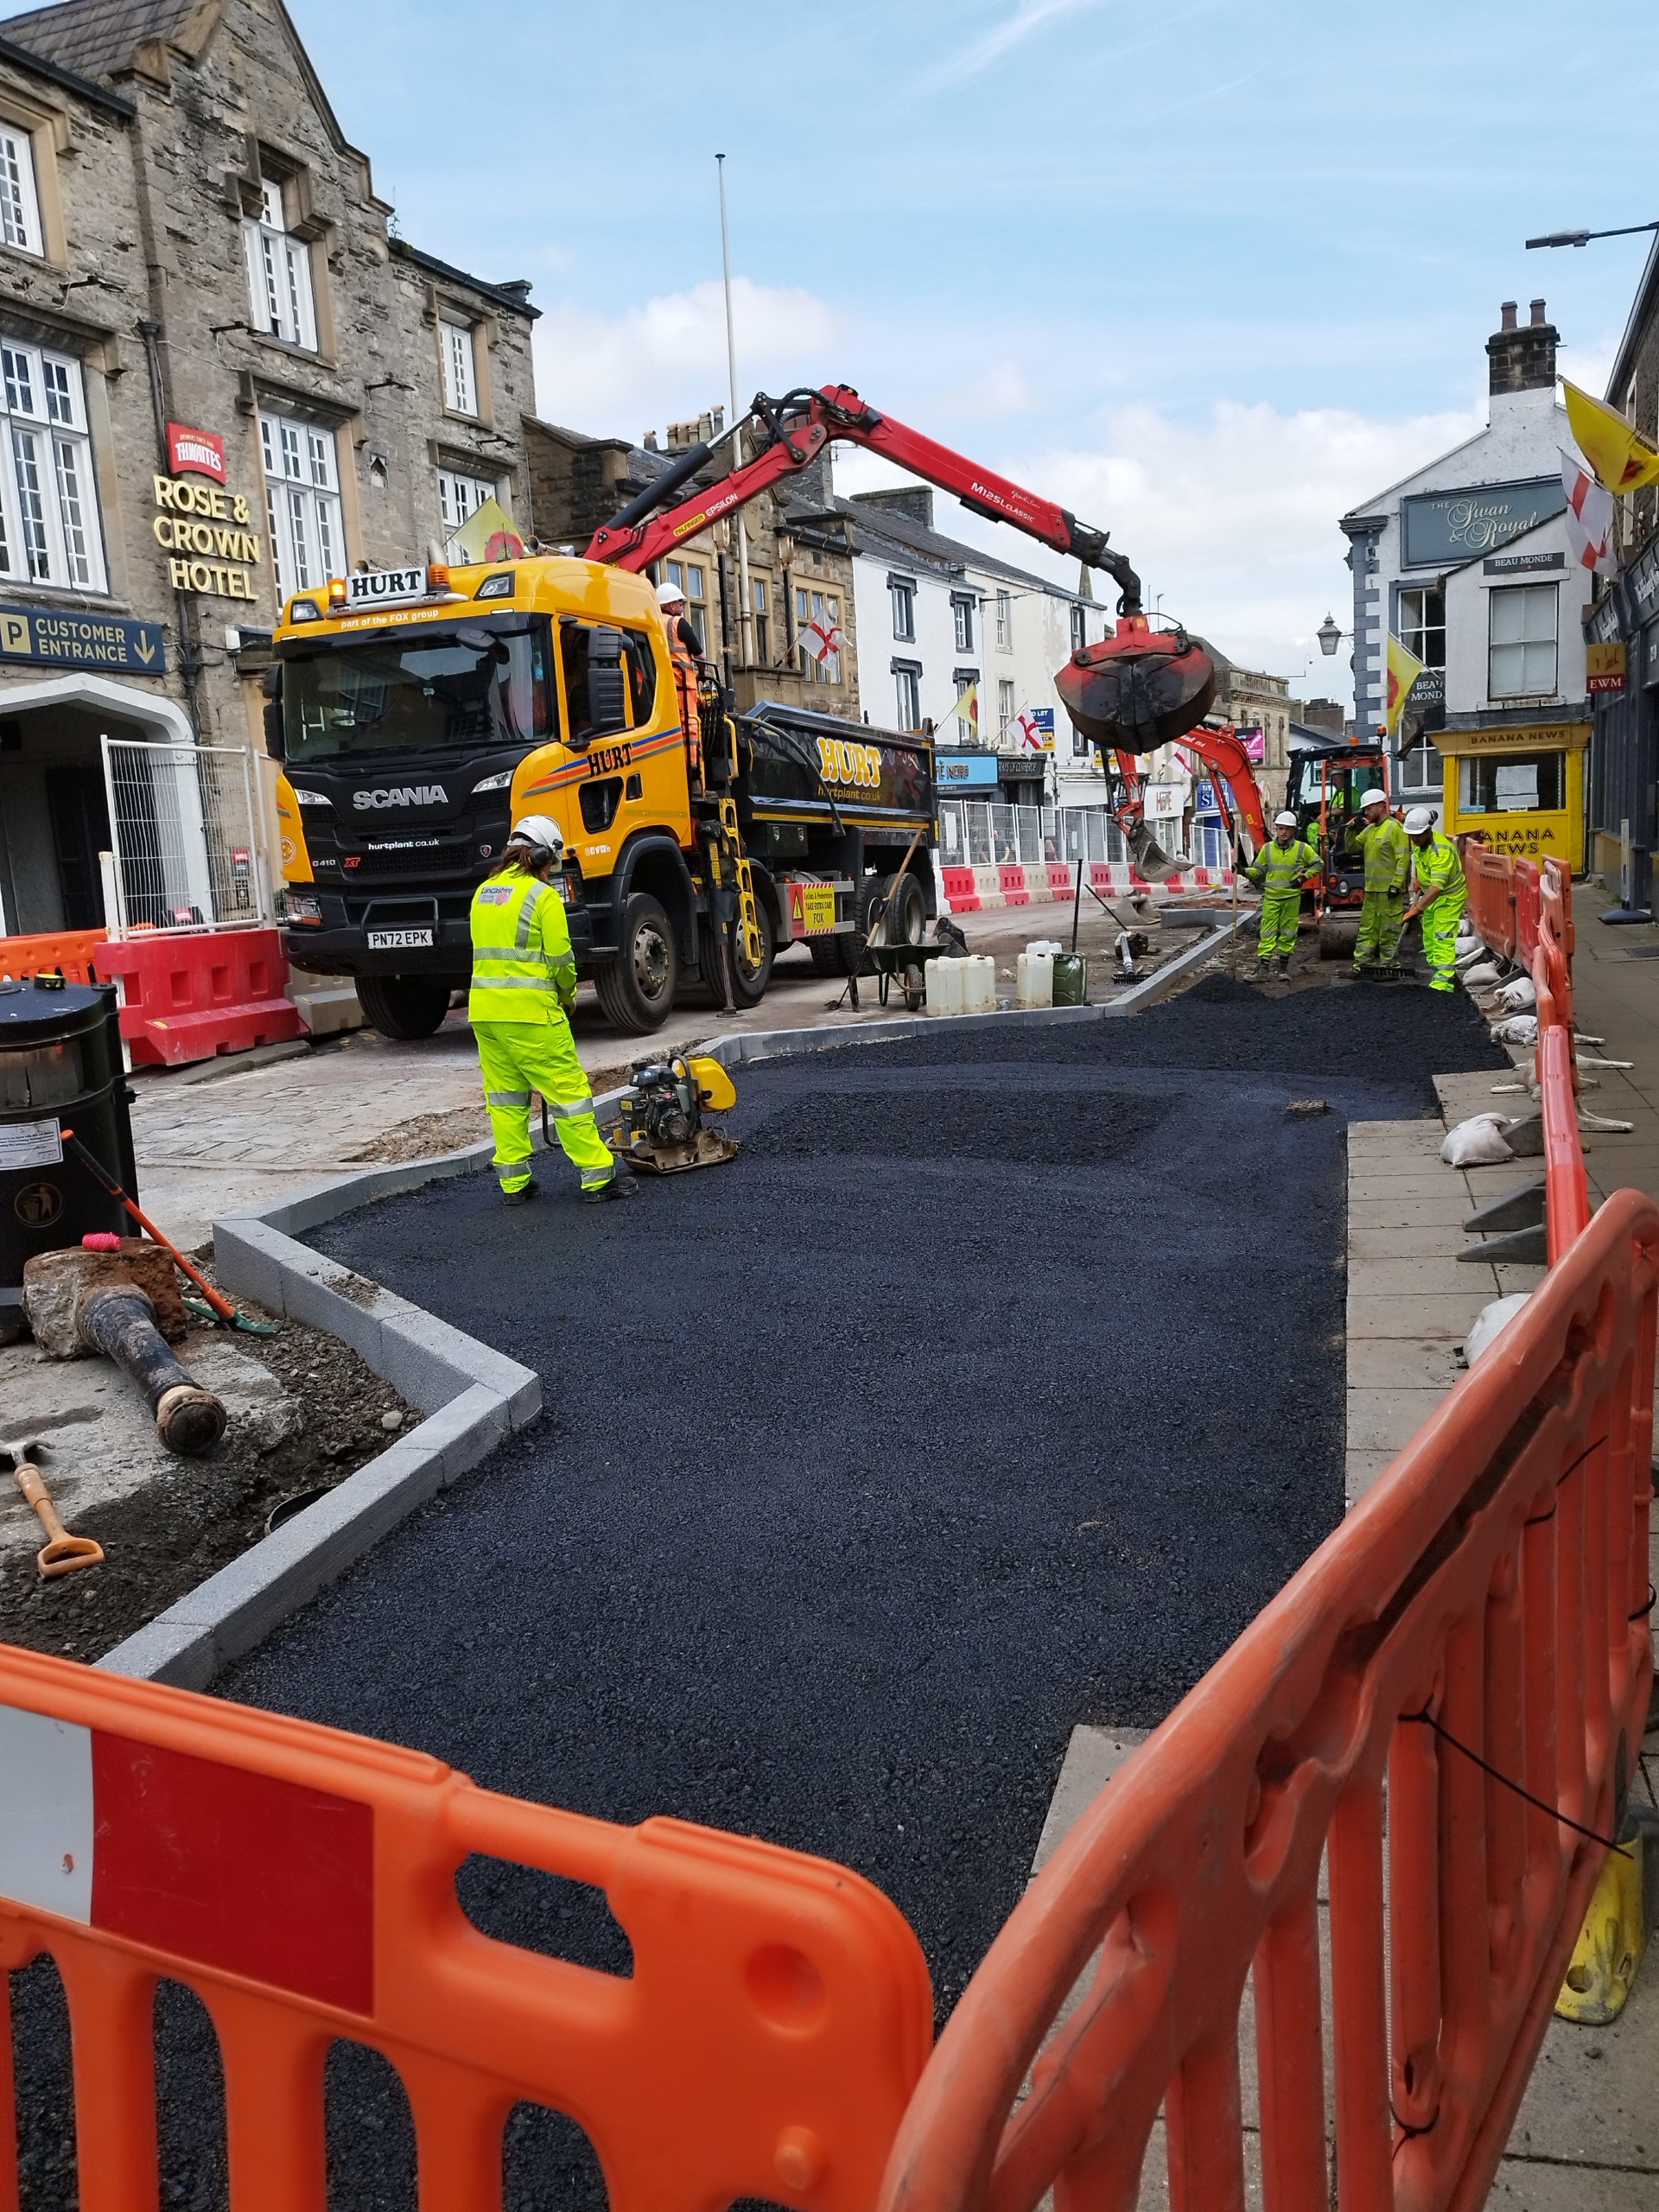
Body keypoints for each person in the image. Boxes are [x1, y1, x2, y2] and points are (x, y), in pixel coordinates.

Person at [468, 816, 636, 1207]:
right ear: (544, 855)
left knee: (506, 1098)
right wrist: (568, 994)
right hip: (531, 1013)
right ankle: (597, 1177)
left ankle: (514, 1185)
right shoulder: (541, 898)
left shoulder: (483, 893)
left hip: (485, 1015)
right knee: (569, 1093)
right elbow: (561, 958)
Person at [1245, 810, 1319, 978]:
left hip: (1291, 899)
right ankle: (1264, 968)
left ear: (1293, 830)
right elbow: (1257, 871)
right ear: (1276, 829)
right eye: (1280, 828)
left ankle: (1283, 969)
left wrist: (1303, 878)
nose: (1283, 832)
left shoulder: (1302, 849)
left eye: (1287, 829)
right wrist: (1243, 871)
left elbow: (1317, 864)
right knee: (1267, 933)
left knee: (1288, 932)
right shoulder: (1267, 849)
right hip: (1272, 898)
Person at [1404, 805, 1466, 992]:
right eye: (1411, 835)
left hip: (1448, 898)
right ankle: (1438, 973)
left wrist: (1416, 909)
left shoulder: (1441, 851)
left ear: (1428, 830)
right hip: (1431, 897)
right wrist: (1418, 879)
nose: (1414, 839)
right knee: (1430, 937)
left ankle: (1443, 984)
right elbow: (1421, 862)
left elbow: (1437, 887)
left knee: (1442, 937)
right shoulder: (1420, 844)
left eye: (1417, 835)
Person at [1351, 786, 1409, 976]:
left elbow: (1403, 859)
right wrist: (1351, 830)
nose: (1366, 813)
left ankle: (1390, 967)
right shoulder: (1369, 831)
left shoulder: (1395, 829)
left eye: (1369, 809)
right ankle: (1363, 965)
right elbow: (1351, 848)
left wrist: (1396, 884)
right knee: (1367, 928)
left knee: (1389, 930)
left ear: (1381, 806)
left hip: (1389, 891)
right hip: (1372, 890)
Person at [658, 578, 703, 658]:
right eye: (681, 605)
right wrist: (702, 670)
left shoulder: (653, 620)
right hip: (679, 670)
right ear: (672, 606)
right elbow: (700, 657)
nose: (682, 610)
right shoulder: (679, 623)